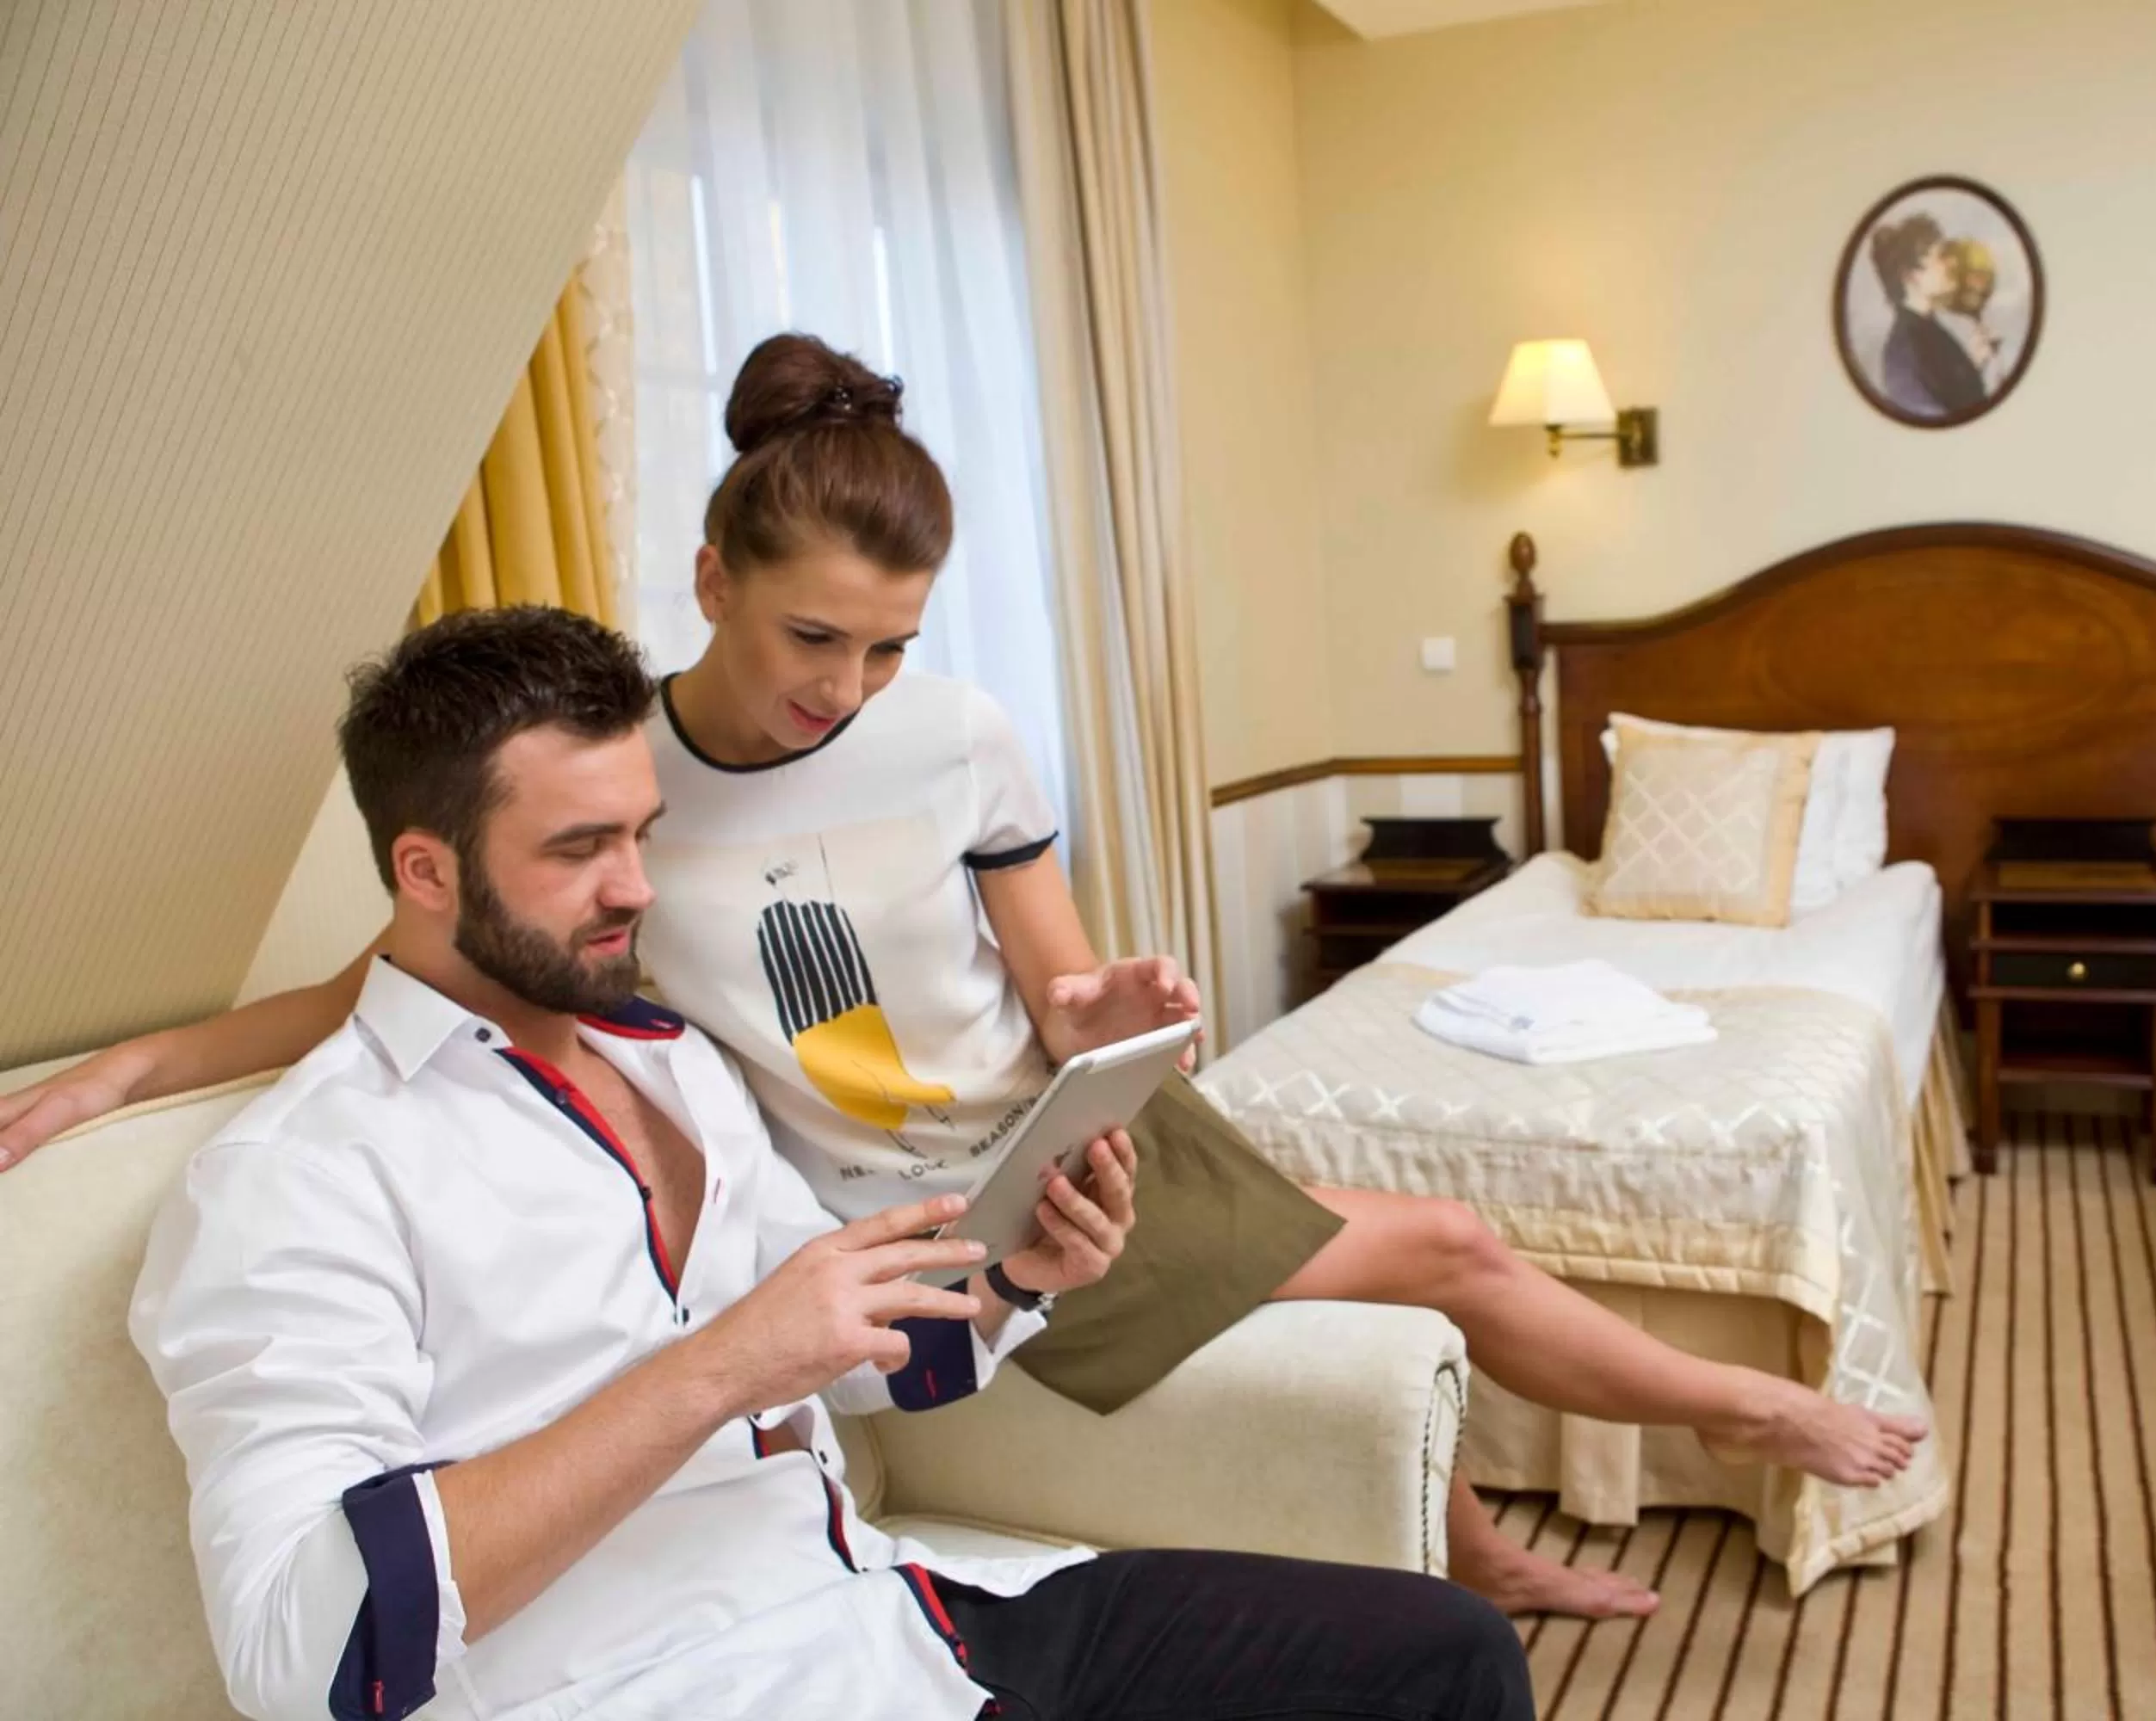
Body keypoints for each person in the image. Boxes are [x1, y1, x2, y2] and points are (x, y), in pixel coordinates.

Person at [6, 332, 1926, 1620]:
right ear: (709, 579)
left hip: (1057, 1142)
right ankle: (1680, 1445)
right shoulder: (616, 783)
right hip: (891, 1217)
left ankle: (1571, 1492)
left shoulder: (964, 737)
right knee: (1440, 1251)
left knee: (1450, 1249)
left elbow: (1060, 981)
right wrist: (126, 1064)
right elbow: (396, 969)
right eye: (810, 636)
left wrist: (1112, 1020)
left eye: (889, 644)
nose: (843, 688)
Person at [129, 610, 1533, 1720]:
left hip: (892, 1613)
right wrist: (718, 1367)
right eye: (578, 848)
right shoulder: (296, 1176)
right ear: (426, 873)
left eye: (641, 834)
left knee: (1444, 1656)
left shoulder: (668, 1059)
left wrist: (1009, 1281)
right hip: (661, 1686)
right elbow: (304, 1650)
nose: (637, 886)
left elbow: (856, 1349)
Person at [1870, 213, 1987, 419]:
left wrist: (1974, 366)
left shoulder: (1927, 330)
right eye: (1940, 256)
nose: (1951, 264)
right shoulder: (1903, 350)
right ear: (1910, 276)